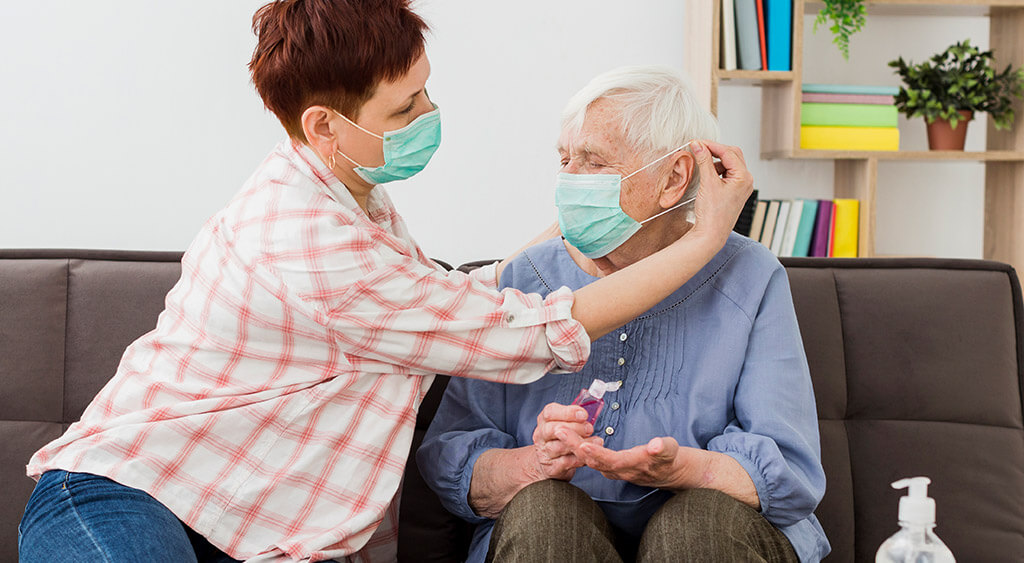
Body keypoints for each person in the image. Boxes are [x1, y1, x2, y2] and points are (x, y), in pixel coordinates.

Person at [17, 3, 754, 563]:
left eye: (424, 92)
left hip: (240, 526)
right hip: (122, 495)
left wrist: (585, 225)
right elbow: (531, 334)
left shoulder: (348, 196)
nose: (429, 115)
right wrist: (707, 237)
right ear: (325, 126)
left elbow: (447, 297)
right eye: (405, 107)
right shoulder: (311, 240)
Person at [417, 66, 830, 563]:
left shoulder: (750, 274)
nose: (568, 181)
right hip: (550, 533)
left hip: (717, 533)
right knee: (545, 515)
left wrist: (688, 470)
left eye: (592, 161)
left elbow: (790, 470)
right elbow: (452, 456)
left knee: (695, 523)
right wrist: (537, 463)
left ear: (673, 178)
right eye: (564, 160)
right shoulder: (523, 277)